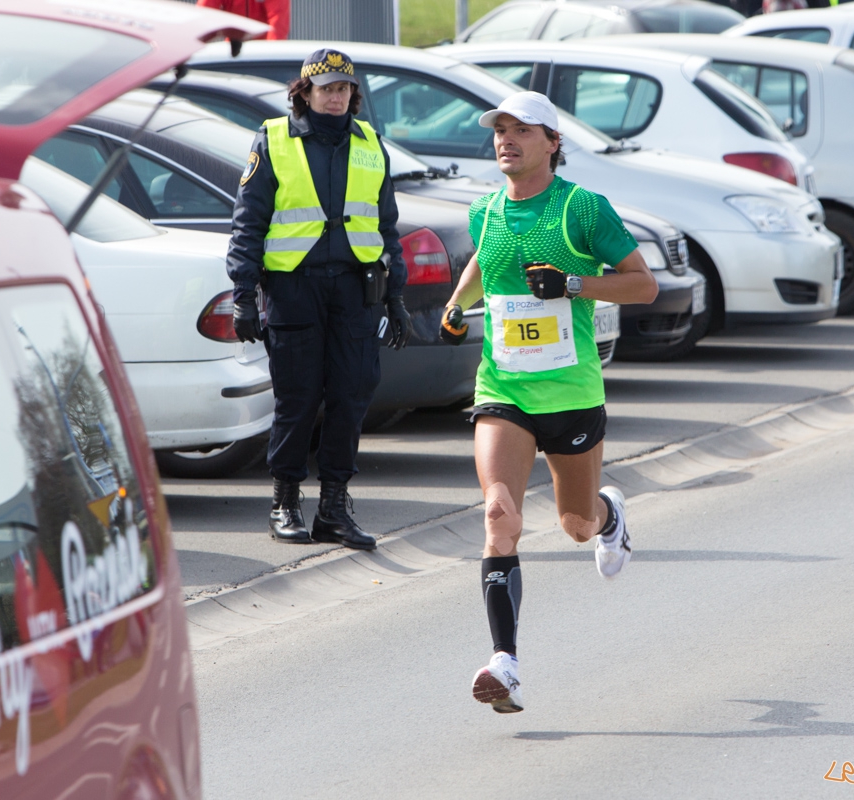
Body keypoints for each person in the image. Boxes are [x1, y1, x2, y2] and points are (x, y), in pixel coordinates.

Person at [438, 92, 658, 713]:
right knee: (498, 517)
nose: (505, 140)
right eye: (499, 130)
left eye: (520, 130)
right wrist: (456, 305)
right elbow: (485, 260)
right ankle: (504, 664)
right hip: (503, 389)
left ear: (552, 142)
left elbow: (644, 284)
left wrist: (573, 284)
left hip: (572, 393)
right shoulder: (485, 210)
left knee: (575, 525)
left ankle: (608, 515)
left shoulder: (582, 209)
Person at [227, 49, 409, 551]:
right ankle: (285, 502)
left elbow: (386, 226)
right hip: (294, 288)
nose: (335, 97)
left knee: (351, 397)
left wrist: (395, 298)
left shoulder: (371, 143)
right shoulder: (274, 139)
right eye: (326, 88)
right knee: (299, 399)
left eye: (344, 89)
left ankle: (333, 507)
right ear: (304, 92)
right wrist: (243, 294)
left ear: (354, 95)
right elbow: (248, 224)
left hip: (356, 290)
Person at [196, 0, 290, 40]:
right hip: (234, 50)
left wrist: (271, 55)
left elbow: (277, 23)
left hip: (263, 53)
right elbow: (203, 15)